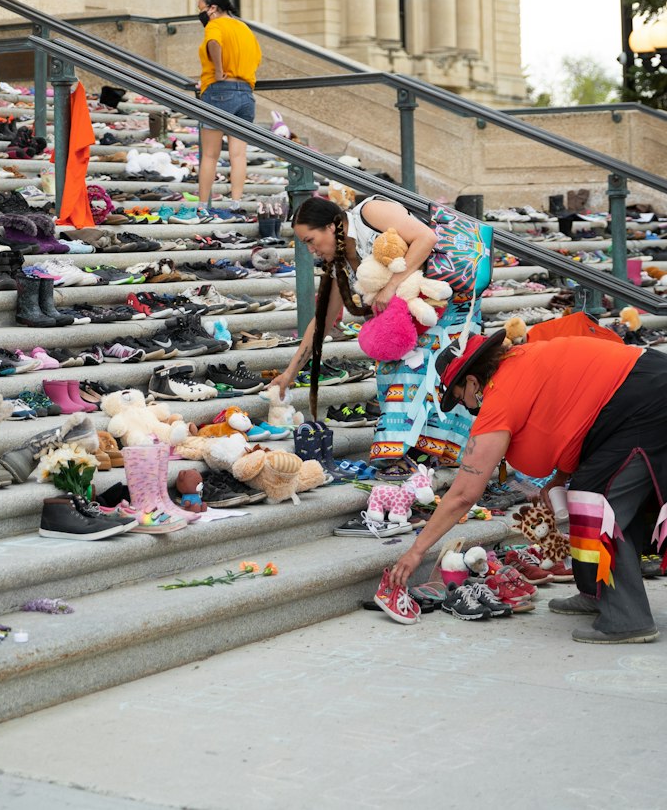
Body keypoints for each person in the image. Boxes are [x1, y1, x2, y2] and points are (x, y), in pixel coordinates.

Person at [387, 331, 666, 645]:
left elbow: (465, 494)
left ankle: (627, 618)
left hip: (646, 401)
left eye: (459, 395)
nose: (463, 407)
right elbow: (578, 413)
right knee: (588, 492)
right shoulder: (521, 363)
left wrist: (416, 552)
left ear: (474, 383)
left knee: (597, 504)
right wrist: (561, 479)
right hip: (643, 391)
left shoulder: (500, 397)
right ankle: (597, 593)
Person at [271, 196, 438, 453]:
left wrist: (392, 285)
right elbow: (322, 320)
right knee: (392, 387)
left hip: (437, 307)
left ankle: (409, 455)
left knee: (421, 386)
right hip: (400, 329)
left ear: (330, 226)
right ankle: (409, 453)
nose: (310, 250)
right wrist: (290, 373)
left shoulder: (369, 213)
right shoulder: (338, 263)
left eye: (310, 241)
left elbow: (426, 238)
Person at [195, 0, 262, 211]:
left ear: (212, 8)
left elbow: (214, 43)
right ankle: (235, 203)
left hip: (219, 91)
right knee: (238, 154)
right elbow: (257, 58)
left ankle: (203, 205)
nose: (201, 14)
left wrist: (218, 71)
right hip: (245, 93)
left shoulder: (215, 25)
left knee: (210, 154)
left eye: (201, 9)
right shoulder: (244, 28)